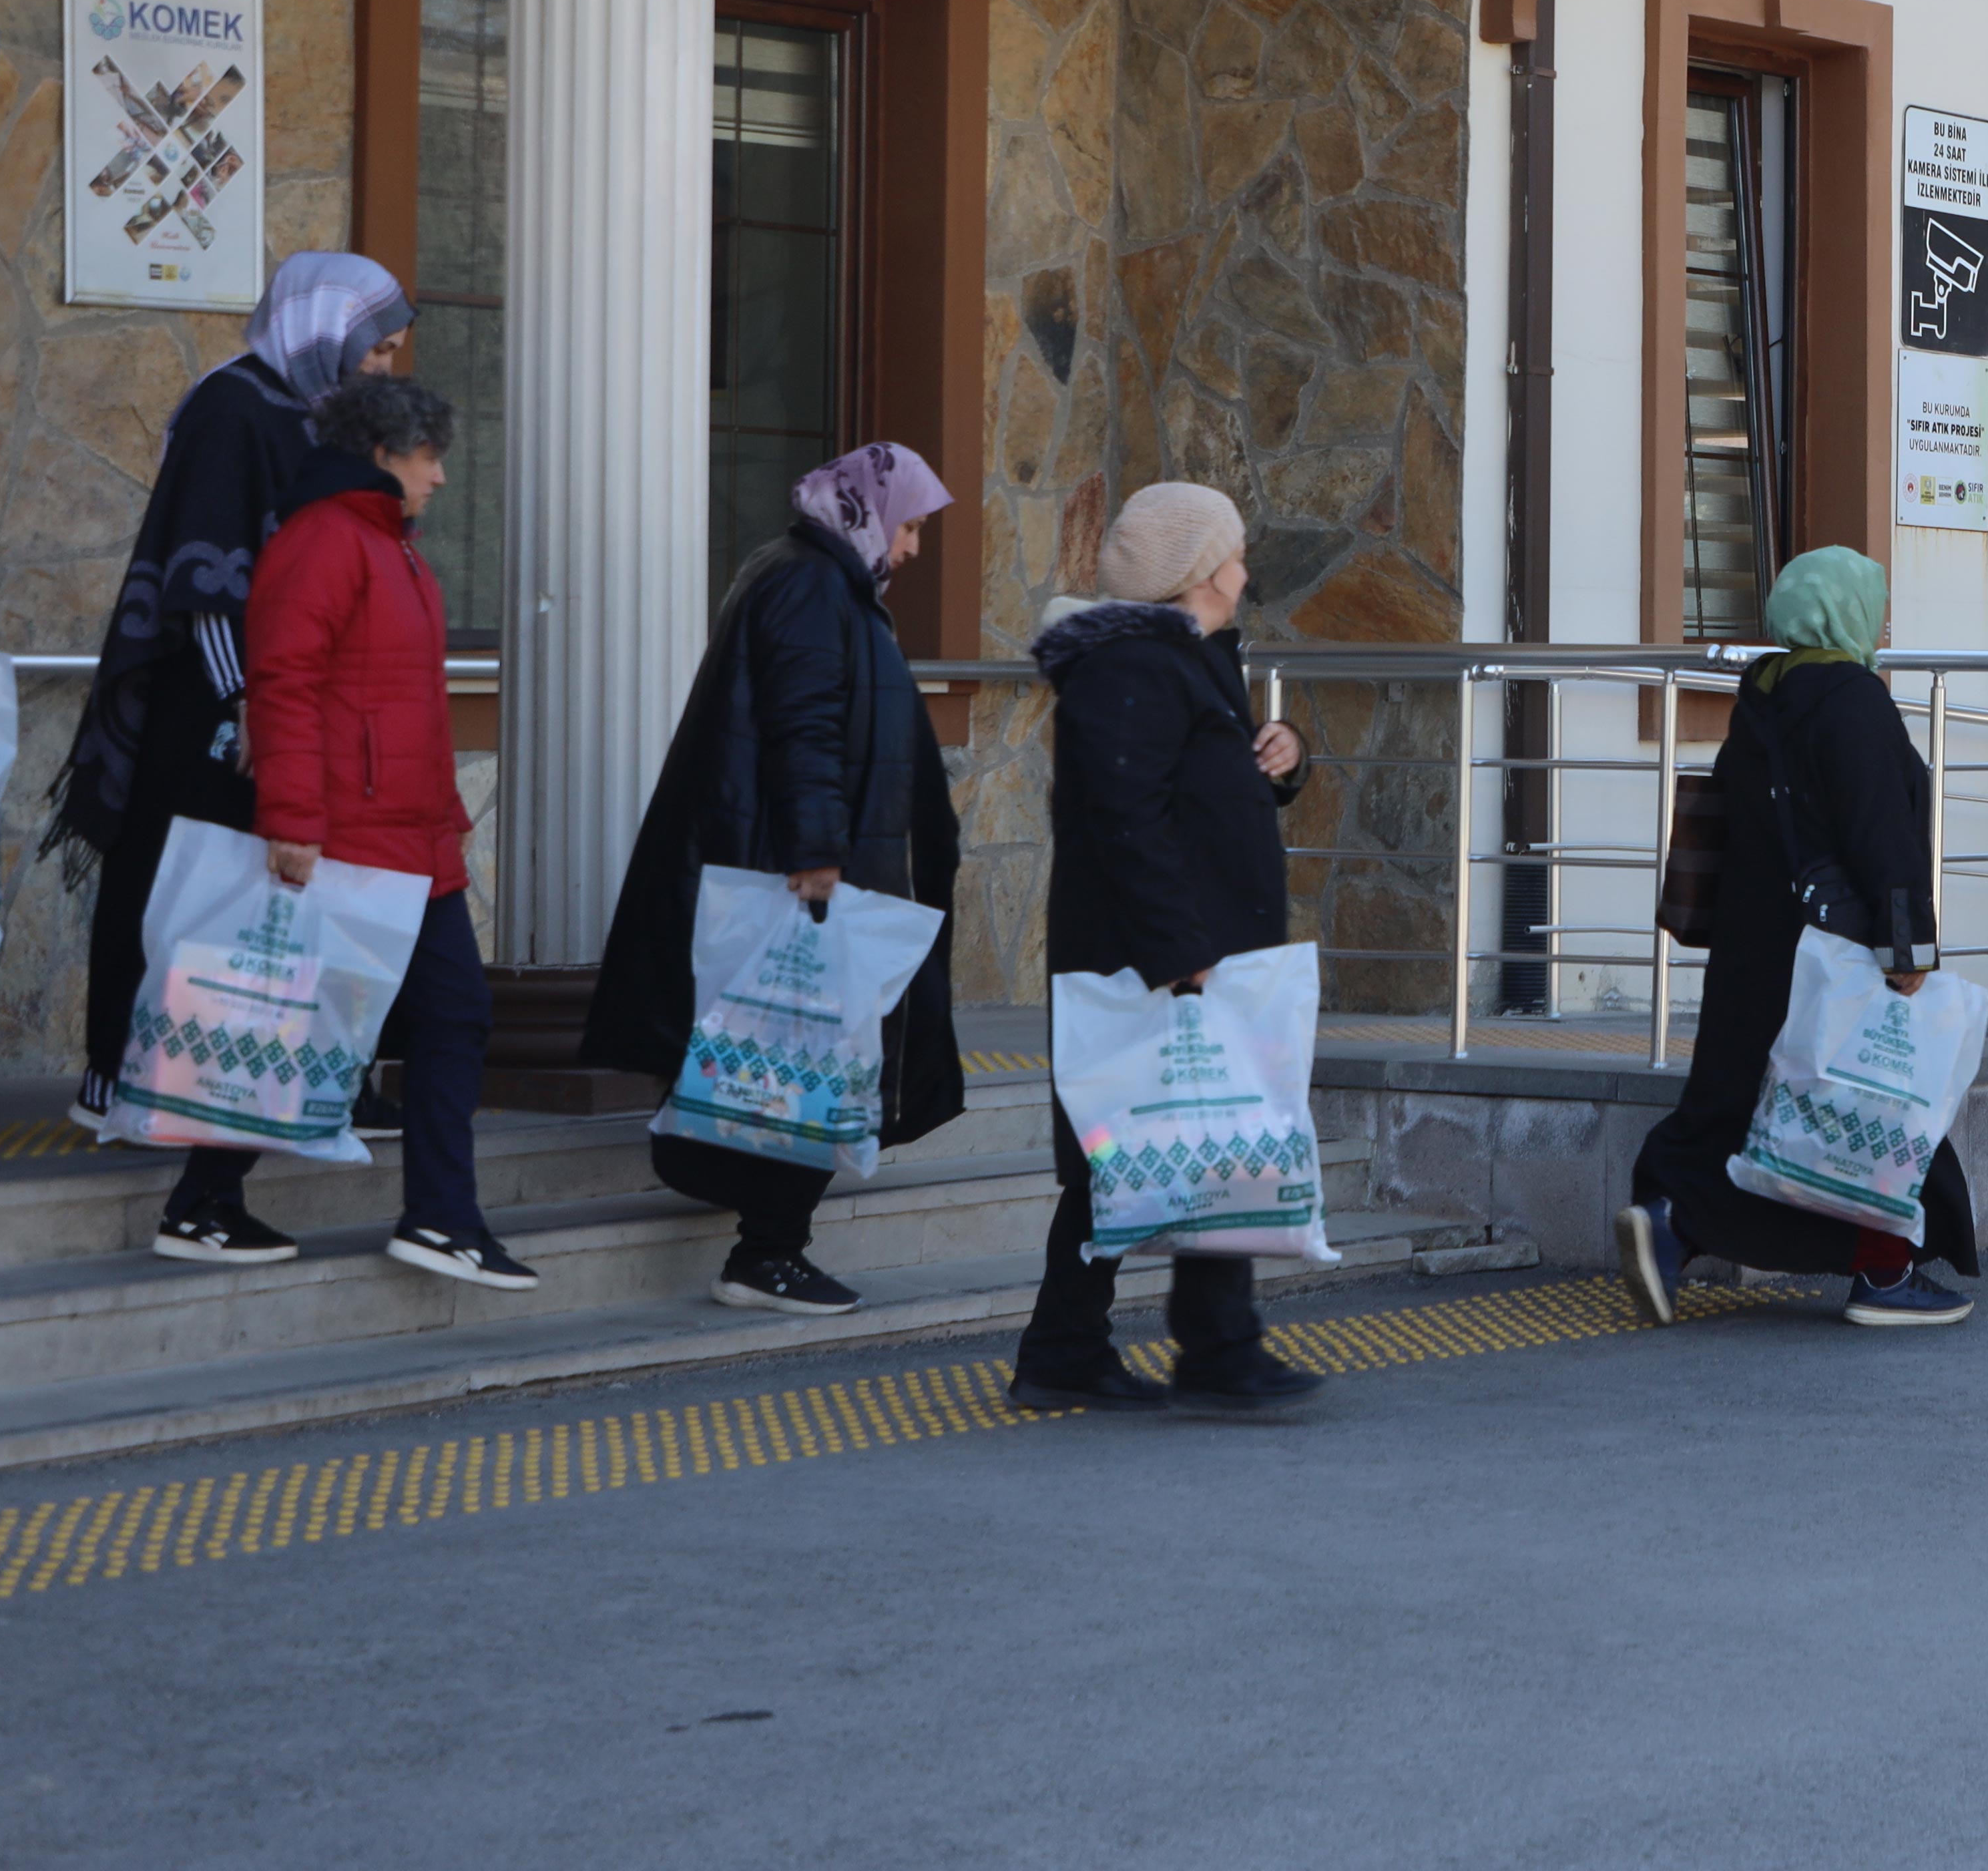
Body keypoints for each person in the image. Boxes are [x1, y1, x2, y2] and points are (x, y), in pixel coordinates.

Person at [152, 377, 530, 1285]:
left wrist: (446, 821)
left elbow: (400, 710)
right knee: (299, 1021)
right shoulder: (328, 543)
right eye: (429, 456)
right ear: (381, 453)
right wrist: (291, 821)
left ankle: (426, 1215)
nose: (440, 476)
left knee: (423, 1017)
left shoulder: (387, 548)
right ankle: (216, 1202)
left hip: (405, 839)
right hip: (348, 841)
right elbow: (282, 684)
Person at [584, 443, 966, 1316]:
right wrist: (819, 851)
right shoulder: (811, 585)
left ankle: (751, 1217)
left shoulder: (822, 579)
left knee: (796, 1055)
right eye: (908, 525)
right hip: (802, 869)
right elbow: (805, 725)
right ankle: (768, 1251)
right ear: (867, 512)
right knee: (811, 1055)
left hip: (805, 859)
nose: (911, 548)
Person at [50, 250, 412, 1132]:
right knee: (175, 884)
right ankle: (116, 1078)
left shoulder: (319, 415)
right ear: (328, 333)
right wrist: (242, 698)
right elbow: (202, 573)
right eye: (379, 351)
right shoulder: (234, 406)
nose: (388, 370)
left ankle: (287, 1078)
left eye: (394, 352)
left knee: (285, 889)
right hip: (213, 705)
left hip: (288, 702)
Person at [1009, 482, 1328, 1414]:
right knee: (1115, 1155)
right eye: (1232, 553)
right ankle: (1081, 1349)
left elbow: (1199, 786)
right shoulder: (1130, 669)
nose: (1244, 569)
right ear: (1198, 571)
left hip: (1193, 954)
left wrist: (1284, 755)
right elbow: (1126, 814)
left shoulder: (1181, 659)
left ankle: (1208, 1346)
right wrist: (1176, 947)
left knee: (1212, 1142)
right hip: (1156, 959)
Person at [1616, 546, 1985, 1331]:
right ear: (1845, 613)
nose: (1882, 622)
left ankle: (1674, 1222)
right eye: (1875, 607)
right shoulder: (1852, 699)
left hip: (1757, 945)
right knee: (1877, 1109)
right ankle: (1883, 1278)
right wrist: (1908, 946)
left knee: (1750, 1115)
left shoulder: (1763, 696)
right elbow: (1879, 829)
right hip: (1836, 950)